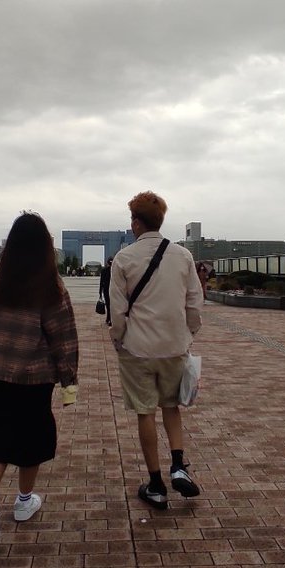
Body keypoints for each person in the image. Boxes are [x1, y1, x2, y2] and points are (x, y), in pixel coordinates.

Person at [0, 212, 78, 550]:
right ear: (46, 246)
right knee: (33, 435)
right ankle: (24, 500)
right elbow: (63, 335)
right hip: (35, 375)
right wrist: (68, 376)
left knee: (0, 429)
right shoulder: (49, 282)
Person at [110, 191, 203, 510]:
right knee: (171, 407)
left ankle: (156, 484)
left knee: (145, 411)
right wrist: (188, 333)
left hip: (138, 348)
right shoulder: (183, 256)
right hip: (174, 346)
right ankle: (178, 464)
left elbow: (118, 311)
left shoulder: (124, 258)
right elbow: (194, 301)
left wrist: (118, 338)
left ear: (136, 223)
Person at [99, 258, 113, 325]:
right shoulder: (115, 270)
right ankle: (110, 318)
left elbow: (101, 282)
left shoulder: (104, 270)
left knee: (108, 304)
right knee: (113, 305)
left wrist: (100, 292)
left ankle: (108, 318)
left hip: (106, 290)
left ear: (107, 263)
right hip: (113, 290)